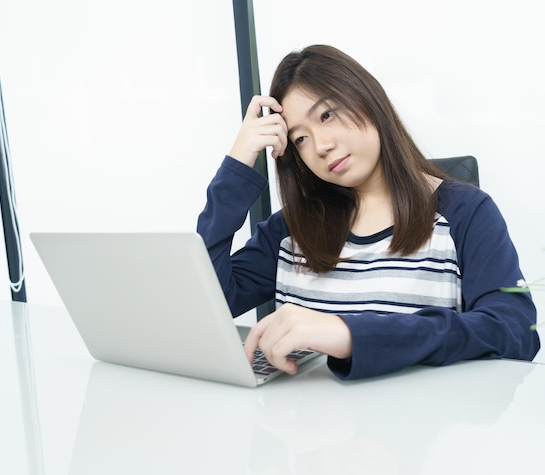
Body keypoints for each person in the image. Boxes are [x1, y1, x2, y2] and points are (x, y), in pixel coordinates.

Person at [196, 44, 540, 380]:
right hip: (301, 429)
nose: (321, 145)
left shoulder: (465, 213)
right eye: (299, 138)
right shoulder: (291, 229)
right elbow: (208, 305)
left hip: (417, 429)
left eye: (327, 114)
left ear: (367, 98)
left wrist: (349, 333)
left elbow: (514, 330)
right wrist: (237, 167)